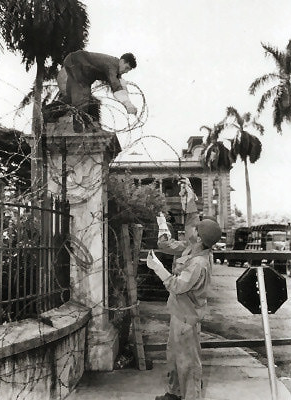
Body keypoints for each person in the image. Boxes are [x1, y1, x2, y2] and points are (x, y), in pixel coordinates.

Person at [146, 178, 222, 400]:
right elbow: (189, 222)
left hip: (187, 320)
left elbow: (177, 286)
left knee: (188, 363)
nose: (193, 231)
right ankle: (174, 394)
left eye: (197, 231)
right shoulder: (193, 248)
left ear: (201, 238)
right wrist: (187, 197)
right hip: (178, 314)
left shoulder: (199, 263)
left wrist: (158, 268)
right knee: (173, 357)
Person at [57, 50, 138, 132]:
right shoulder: (112, 65)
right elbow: (115, 84)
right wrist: (128, 104)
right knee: (83, 98)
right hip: (76, 64)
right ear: (122, 61)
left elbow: (120, 84)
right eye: (126, 68)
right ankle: (80, 130)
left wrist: (129, 103)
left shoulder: (115, 68)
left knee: (70, 99)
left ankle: (48, 114)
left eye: (129, 70)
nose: (126, 71)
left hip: (75, 65)